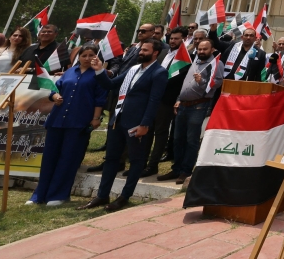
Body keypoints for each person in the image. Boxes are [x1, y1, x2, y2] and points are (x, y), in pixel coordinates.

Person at [80, 38, 167, 211]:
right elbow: (110, 85)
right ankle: (102, 195)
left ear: (155, 53)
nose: (141, 52)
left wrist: (145, 124)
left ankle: (124, 197)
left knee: (135, 161)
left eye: (145, 50)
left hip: (137, 125)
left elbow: (154, 101)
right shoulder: (133, 69)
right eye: (141, 49)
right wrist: (99, 71)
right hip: (117, 121)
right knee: (111, 159)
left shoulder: (159, 73)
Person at [27, 45, 107, 205]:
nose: (87, 58)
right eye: (84, 55)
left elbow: (100, 98)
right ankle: (39, 195)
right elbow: (54, 90)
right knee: (49, 158)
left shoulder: (99, 75)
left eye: (91, 55)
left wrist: (96, 118)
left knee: (68, 158)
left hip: (79, 122)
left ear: (97, 56)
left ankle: (58, 195)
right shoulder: (69, 72)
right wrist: (54, 96)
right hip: (57, 120)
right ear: (79, 56)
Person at [157, 36, 223, 183]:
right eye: (199, 49)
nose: (201, 51)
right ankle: (176, 169)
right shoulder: (194, 62)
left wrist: (202, 81)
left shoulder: (216, 64)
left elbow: (218, 83)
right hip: (183, 105)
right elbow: (185, 84)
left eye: (205, 49)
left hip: (198, 106)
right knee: (177, 138)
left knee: (191, 140)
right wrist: (179, 100)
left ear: (212, 50)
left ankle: (186, 171)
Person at [143, 26, 189, 177]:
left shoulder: (186, 58)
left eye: (177, 38)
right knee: (146, 130)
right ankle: (141, 164)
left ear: (184, 40)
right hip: (151, 97)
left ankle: (153, 165)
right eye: (172, 38)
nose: (173, 41)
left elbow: (182, 81)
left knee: (160, 132)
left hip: (167, 100)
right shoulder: (162, 53)